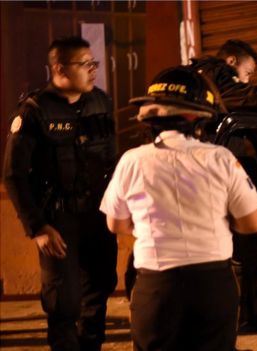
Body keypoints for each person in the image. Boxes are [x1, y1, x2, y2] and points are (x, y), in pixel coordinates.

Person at [99, 66, 257, 350]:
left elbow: (116, 225)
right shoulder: (221, 159)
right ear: (198, 119)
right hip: (213, 285)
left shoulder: (132, 161)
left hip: (156, 288)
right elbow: (253, 223)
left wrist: (148, 227)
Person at [3, 36, 118, 350]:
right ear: (59, 68)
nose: (93, 70)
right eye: (85, 64)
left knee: (100, 287)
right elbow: (14, 176)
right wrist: (37, 227)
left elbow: (112, 159)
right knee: (64, 302)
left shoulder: (100, 101)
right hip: (58, 219)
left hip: (98, 214)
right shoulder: (33, 112)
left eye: (94, 63)